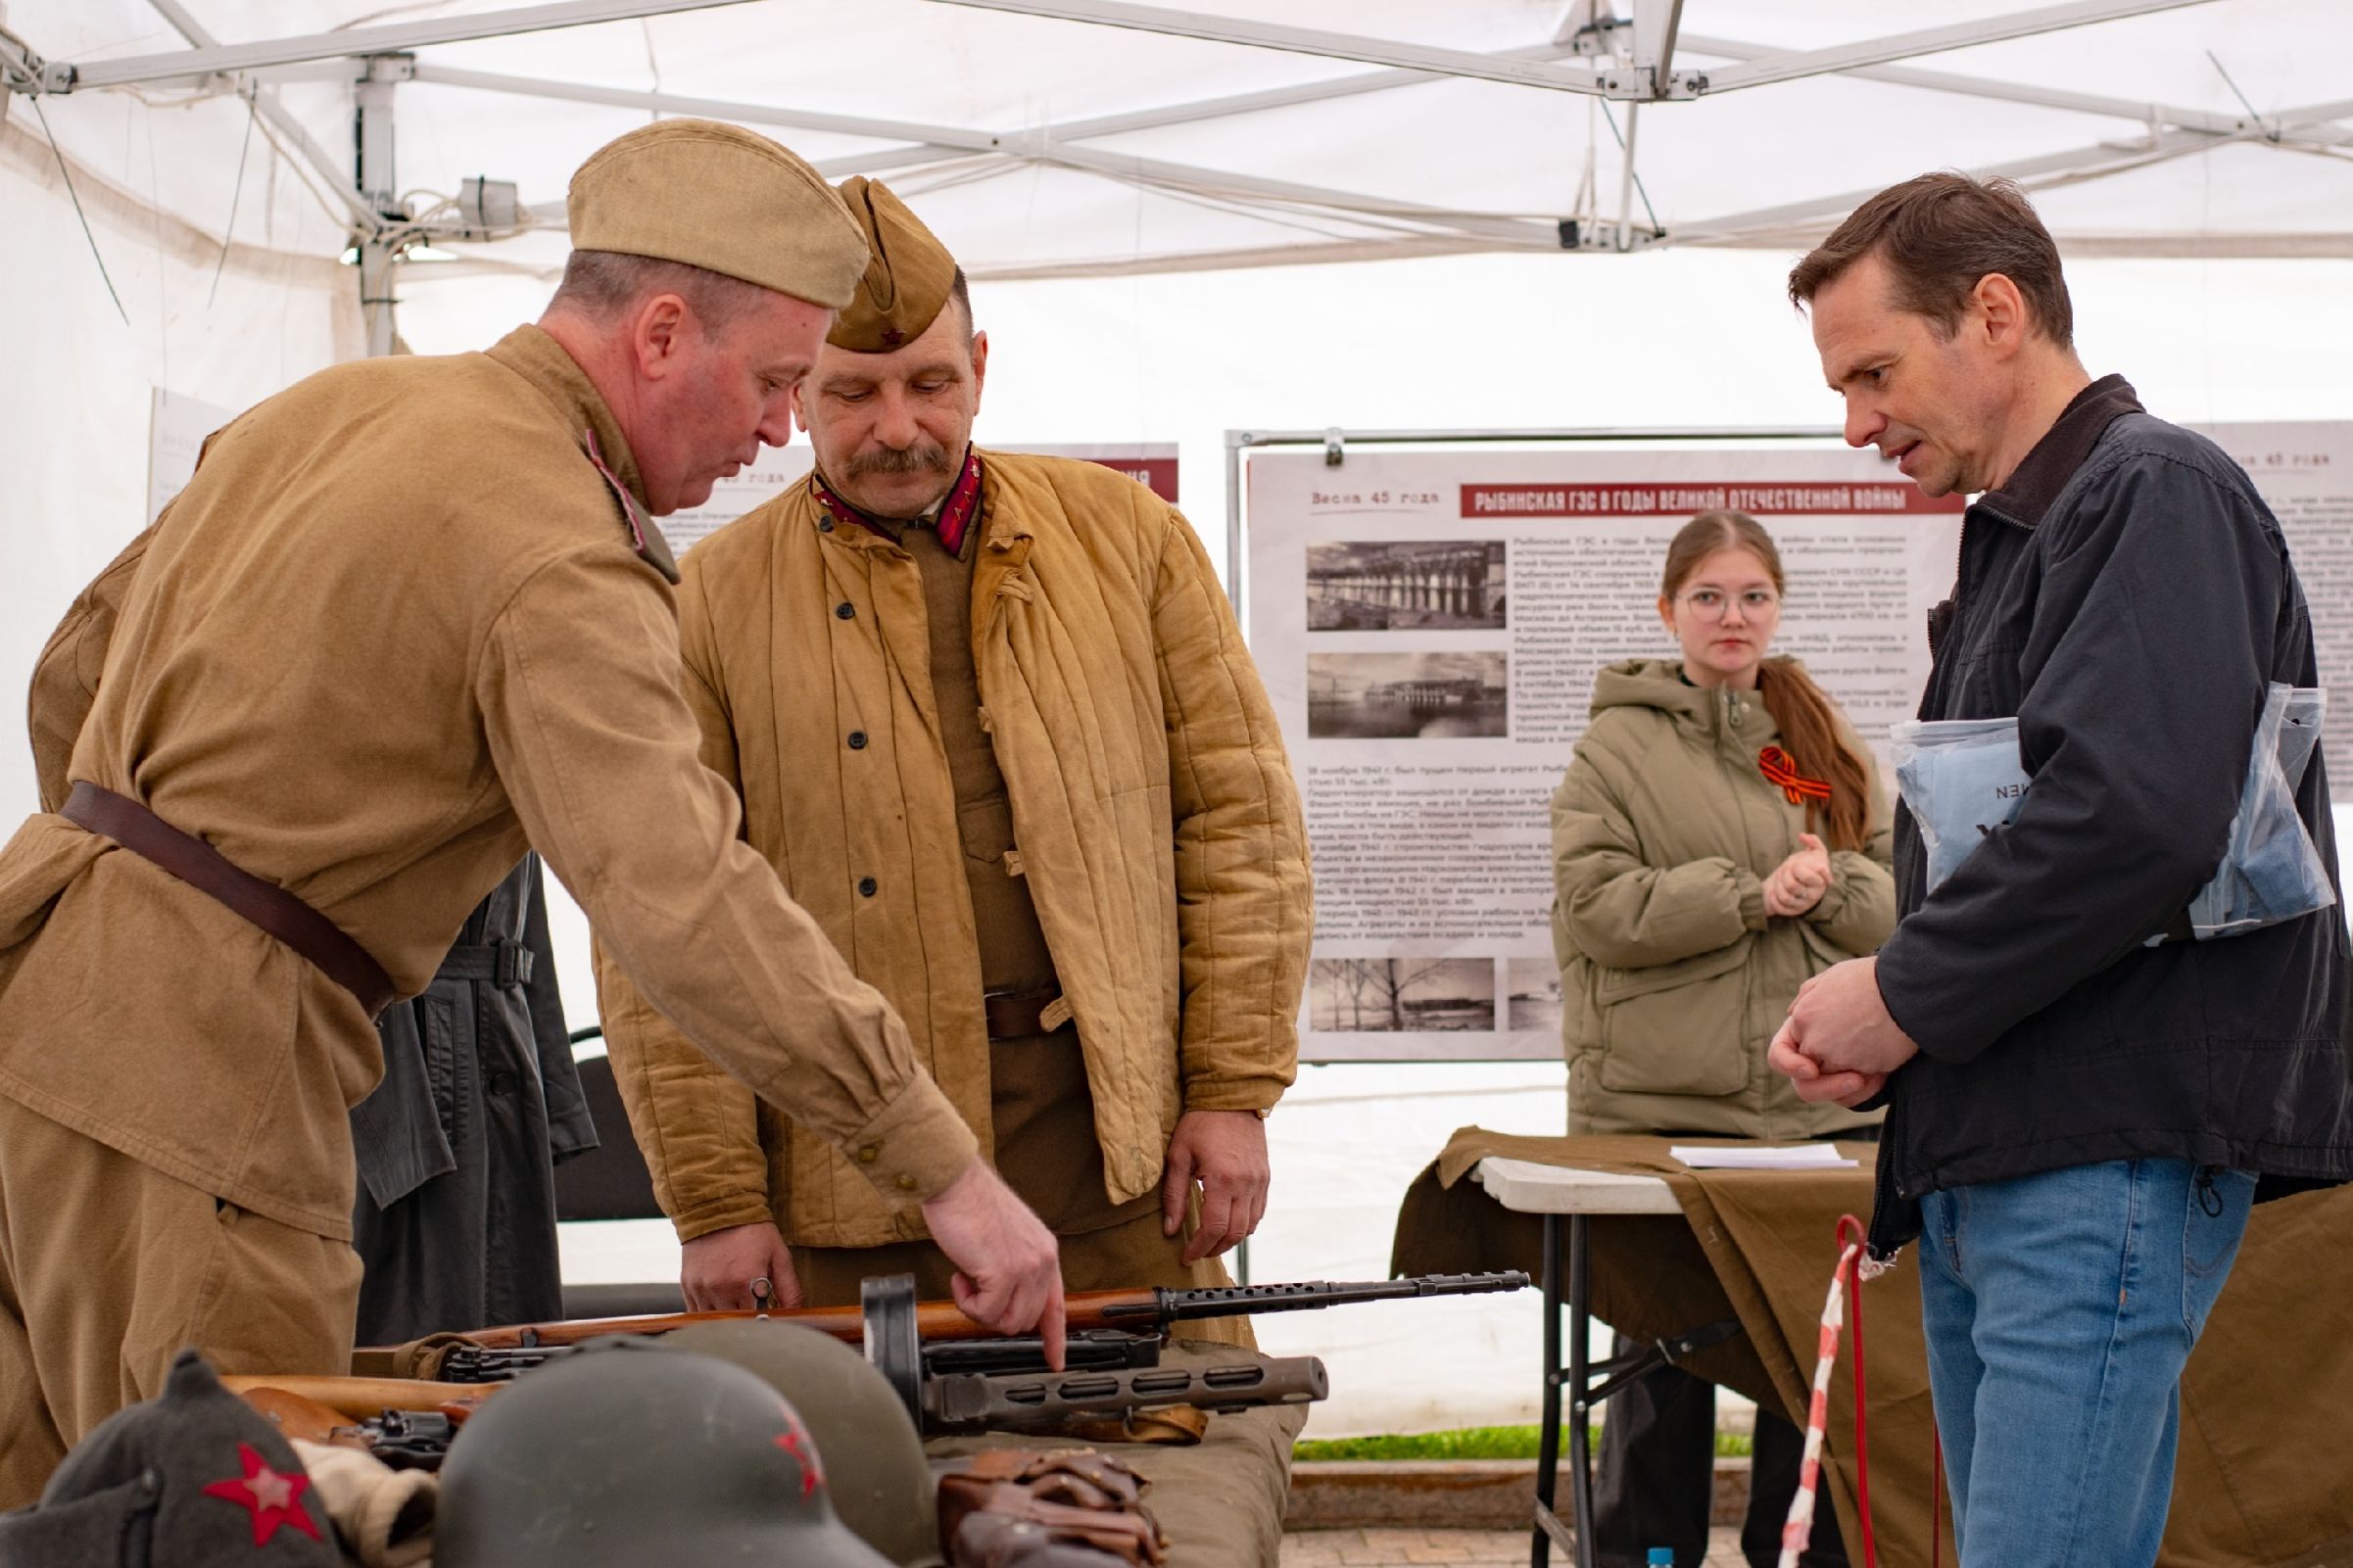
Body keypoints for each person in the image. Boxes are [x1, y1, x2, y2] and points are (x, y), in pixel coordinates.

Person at [0, 119, 1064, 1510]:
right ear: (662, 333)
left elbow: (73, 667)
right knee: (233, 1521)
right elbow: (680, 893)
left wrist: (137, 914)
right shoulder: (559, 546)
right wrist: (943, 1170)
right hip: (204, 1085)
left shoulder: (331, 410)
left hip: (35, 1001)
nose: (778, 431)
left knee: (55, 1514)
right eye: (774, 381)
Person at [594, 176, 1312, 1322]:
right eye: (852, 392)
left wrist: (1231, 1091)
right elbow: (660, 917)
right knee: (869, 1443)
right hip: (848, 1185)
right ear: (793, 389)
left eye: (930, 384)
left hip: (1116, 1161)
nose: (897, 428)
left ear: (979, 364)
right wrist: (716, 1199)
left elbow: (1239, 826)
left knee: (1159, 1432)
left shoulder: (1130, 540)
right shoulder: (706, 602)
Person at [1771, 172, 2353, 1565]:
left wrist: (1897, 993)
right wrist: (1903, 1026)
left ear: (1993, 312)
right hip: (2015, 1142)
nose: (1854, 424)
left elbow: (2132, 812)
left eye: (1872, 373)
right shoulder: (2036, 531)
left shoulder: (2152, 491)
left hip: (2093, 1153)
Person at [1551, 509, 1894, 1568]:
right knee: (1663, 1362)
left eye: (1752, 595)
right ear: (1668, 611)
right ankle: (1646, 1555)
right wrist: (1747, 894)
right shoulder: (1614, 748)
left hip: (1816, 1115)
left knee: (1813, 1361)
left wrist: (1827, 883)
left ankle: (1798, 1555)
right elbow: (1595, 907)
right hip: (1662, 1114)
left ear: (1777, 607)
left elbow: (1904, 908)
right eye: (1707, 595)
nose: (1731, 615)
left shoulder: (1822, 738)